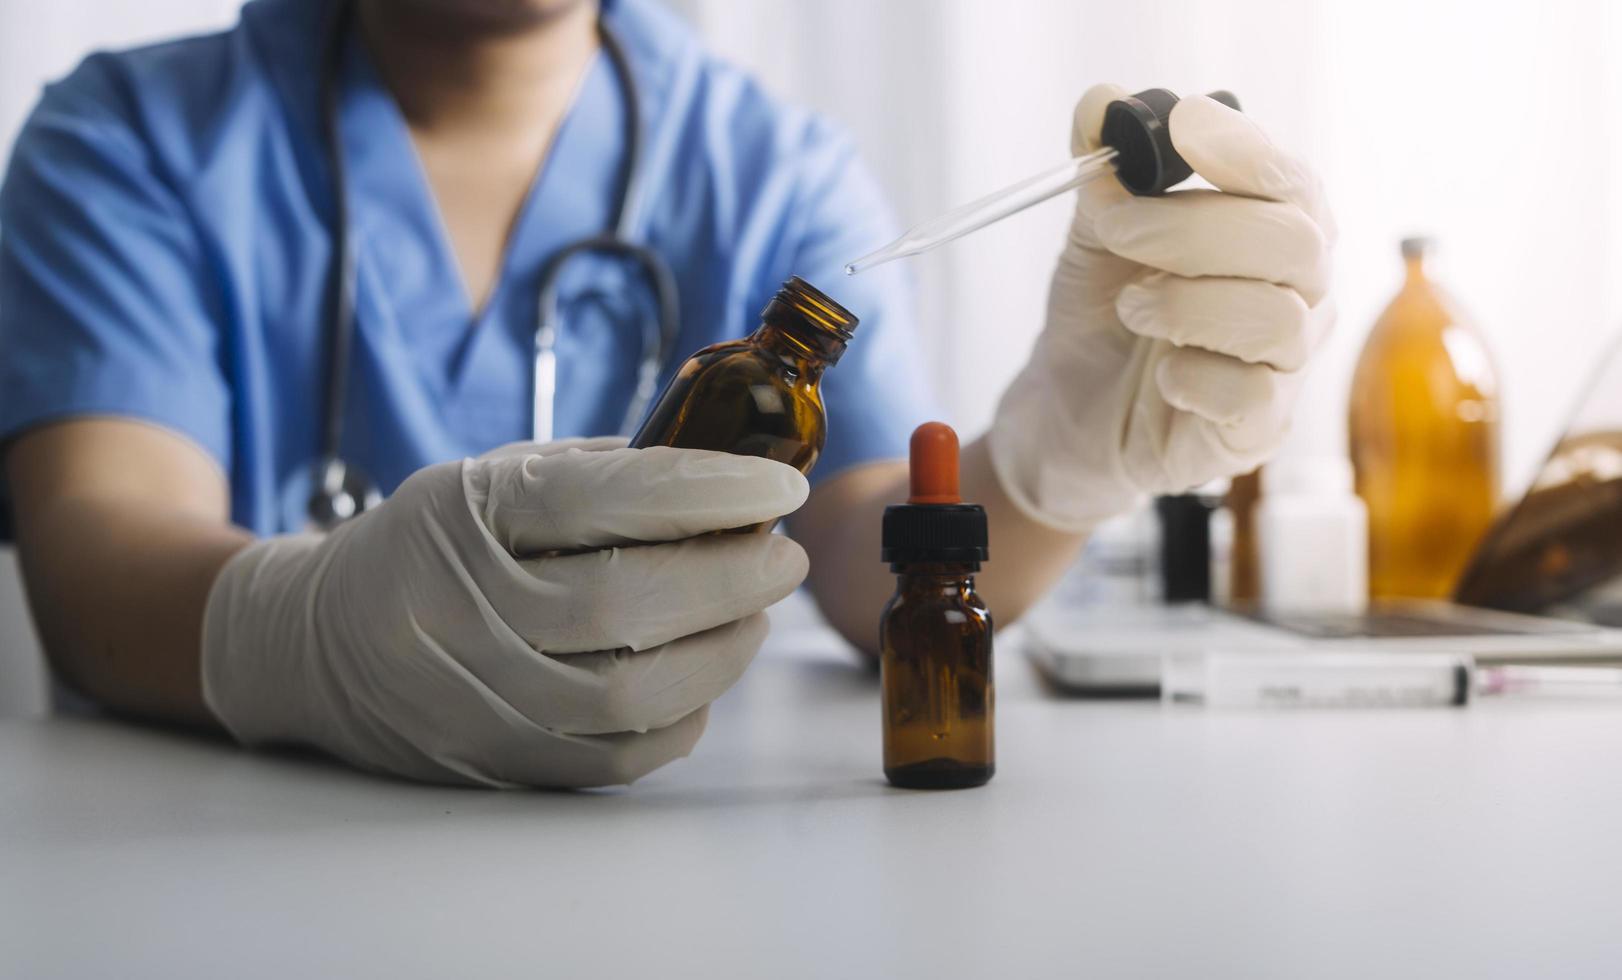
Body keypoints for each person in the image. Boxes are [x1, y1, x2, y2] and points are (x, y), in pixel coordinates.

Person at [0, 0, 1333, 787]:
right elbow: (95, 561)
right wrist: (317, 633)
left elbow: (877, 566)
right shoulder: (130, 139)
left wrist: (1053, 466)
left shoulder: (769, 169)